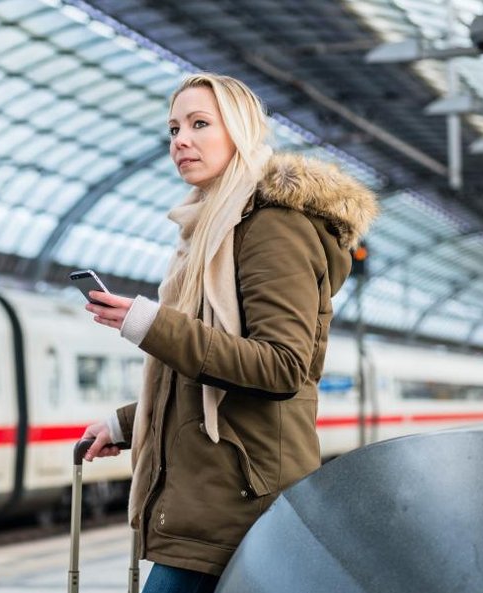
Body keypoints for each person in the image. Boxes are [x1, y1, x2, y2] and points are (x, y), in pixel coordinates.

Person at [79, 73, 377, 592]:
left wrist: (150, 325)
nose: (180, 141)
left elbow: (281, 366)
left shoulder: (272, 227)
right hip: (212, 501)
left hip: (242, 502)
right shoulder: (209, 230)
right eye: (173, 129)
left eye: (199, 124)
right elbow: (212, 376)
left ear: (239, 130)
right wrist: (128, 423)